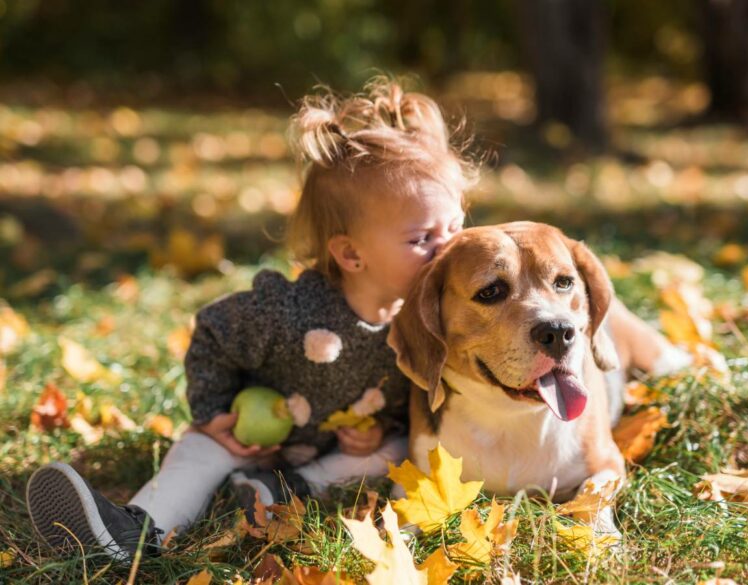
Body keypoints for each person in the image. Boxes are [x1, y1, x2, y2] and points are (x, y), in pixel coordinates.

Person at [25, 78, 475, 562]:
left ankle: (281, 491)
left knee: (396, 450)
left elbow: (408, 395)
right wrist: (214, 413)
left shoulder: (424, 319)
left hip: (330, 453)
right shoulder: (286, 310)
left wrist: (378, 429)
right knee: (198, 453)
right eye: (422, 238)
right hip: (253, 434)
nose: (448, 248)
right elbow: (215, 333)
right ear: (350, 254)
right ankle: (136, 530)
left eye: (455, 227)